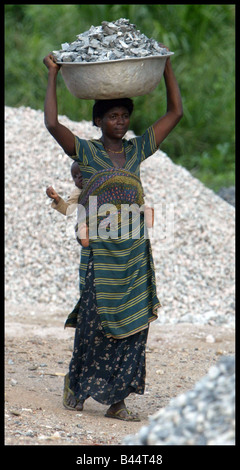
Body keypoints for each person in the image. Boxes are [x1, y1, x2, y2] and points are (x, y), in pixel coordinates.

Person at [43, 49, 183, 421]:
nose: (120, 122)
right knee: (94, 326)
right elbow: (53, 124)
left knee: (135, 327)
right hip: (100, 259)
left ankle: (118, 401)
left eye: (124, 116)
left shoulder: (138, 150)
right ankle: (77, 386)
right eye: (112, 116)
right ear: (98, 120)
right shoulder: (87, 153)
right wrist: (53, 76)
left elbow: (175, 114)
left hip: (134, 256)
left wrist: (165, 66)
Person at [46, 162, 89, 247]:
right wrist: (57, 198)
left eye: (82, 172)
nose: (79, 176)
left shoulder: (100, 182)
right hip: (87, 222)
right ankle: (85, 240)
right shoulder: (78, 192)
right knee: (81, 228)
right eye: (75, 176)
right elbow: (67, 209)